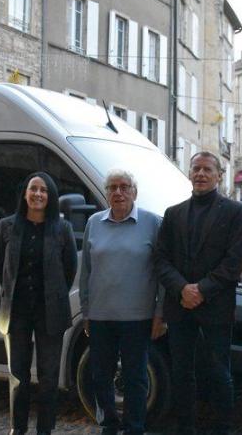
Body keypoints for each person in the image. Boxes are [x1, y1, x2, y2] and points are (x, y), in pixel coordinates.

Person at [155, 151, 242, 435]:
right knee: (182, 373)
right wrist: (182, 288)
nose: (201, 174)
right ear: (190, 173)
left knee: (220, 373)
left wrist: (201, 290)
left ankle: (223, 428)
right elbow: (160, 259)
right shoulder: (173, 213)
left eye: (207, 169)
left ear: (219, 175)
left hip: (215, 306)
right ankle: (186, 427)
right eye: (196, 169)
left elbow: (234, 261)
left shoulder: (234, 212)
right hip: (179, 304)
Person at [79, 169, 166, 435]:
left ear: (134, 192)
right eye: (112, 187)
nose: (118, 192)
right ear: (106, 193)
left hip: (138, 317)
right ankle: (108, 425)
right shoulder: (94, 222)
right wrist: (86, 312)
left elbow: (162, 273)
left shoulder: (153, 223)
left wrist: (159, 313)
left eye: (124, 187)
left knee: (136, 378)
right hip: (101, 316)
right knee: (101, 376)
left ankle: (134, 427)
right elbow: (86, 272)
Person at [0, 172, 78, 435]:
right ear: (25, 193)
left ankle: (45, 431)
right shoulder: (7, 226)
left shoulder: (62, 228)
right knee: (18, 376)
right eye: (33, 189)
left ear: (50, 197)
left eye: (43, 190)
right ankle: (17, 430)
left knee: (49, 377)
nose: (38, 194)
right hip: (16, 312)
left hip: (49, 312)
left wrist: (51, 293)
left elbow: (69, 269)